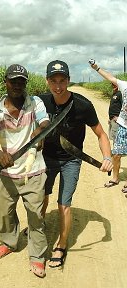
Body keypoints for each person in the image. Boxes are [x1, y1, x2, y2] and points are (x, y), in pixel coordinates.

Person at [38, 60, 113, 269]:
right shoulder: (40, 102)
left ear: (69, 81)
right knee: (41, 197)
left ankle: (61, 245)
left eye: (62, 81)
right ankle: (39, 223)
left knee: (64, 203)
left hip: (71, 159)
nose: (58, 86)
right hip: (46, 158)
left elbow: (101, 134)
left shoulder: (82, 105)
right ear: (47, 81)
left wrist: (107, 157)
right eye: (53, 81)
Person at [0, 64, 50, 278]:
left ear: (26, 83)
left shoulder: (35, 103)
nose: (17, 85)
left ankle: (38, 256)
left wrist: (38, 133)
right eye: (13, 80)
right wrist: (0, 155)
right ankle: (10, 242)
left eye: (21, 81)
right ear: (5, 81)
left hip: (34, 171)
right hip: (7, 174)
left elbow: (45, 122)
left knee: (36, 217)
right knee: (4, 214)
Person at [90, 61, 127, 193]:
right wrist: (97, 68)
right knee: (116, 154)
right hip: (123, 125)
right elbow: (109, 77)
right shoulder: (124, 85)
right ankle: (115, 178)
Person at [104, 83, 123, 188]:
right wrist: (111, 118)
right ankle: (115, 177)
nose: (113, 85)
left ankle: (115, 178)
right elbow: (115, 107)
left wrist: (119, 119)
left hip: (119, 123)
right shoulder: (115, 94)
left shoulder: (122, 93)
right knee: (116, 150)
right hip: (113, 121)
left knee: (117, 153)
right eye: (112, 84)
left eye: (115, 83)